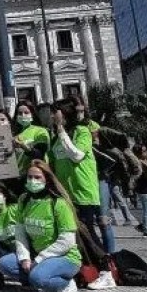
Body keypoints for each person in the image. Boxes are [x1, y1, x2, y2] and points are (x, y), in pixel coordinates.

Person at [0, 161, 82, 292]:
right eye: (29, 177)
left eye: (37, 177)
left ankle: (66, 284)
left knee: (37, 278)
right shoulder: (24, 200)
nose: (32, 181)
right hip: (37, 256)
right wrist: (24, 257)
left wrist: (39, 259)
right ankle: (46, 282)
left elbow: (67, 241)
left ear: (47, 179)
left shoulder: (58, 203)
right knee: (4, 264)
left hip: (65, 256)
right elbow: (20, 233)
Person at [48, 97, 108, 252]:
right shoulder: (56, 138)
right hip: (65, 192)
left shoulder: (82, 132)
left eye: (55, 113)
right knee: (73, 233)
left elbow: (76, 155)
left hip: (83, 191)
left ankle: (105, 265)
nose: (52, 116)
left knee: (86, 231)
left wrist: (61, 130)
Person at [13, 102, 50, 175]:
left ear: (32, 114)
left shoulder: (40, 131)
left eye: (26, 112)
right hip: (19, 177)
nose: (23, 115)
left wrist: (23, 146)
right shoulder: (14, 135)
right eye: (20, 113)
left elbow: (39, 155)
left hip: (37, 174)